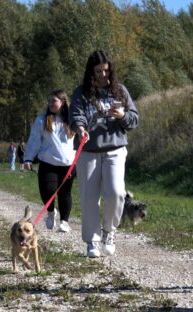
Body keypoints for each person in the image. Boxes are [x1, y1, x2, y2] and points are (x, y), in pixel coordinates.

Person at [69, 50, 139, 258]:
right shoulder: (80, 93)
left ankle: (109, 231)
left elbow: (134, 119)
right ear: (91, 72)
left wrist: (122, 115)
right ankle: (92, 241)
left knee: (116, 193)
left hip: (115, 149)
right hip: (88, 151)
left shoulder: (120, 91)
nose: (103, 75)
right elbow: (75, 115)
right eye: (98, 71)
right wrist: (80, 128)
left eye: (106, 71)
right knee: (89, 198)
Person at [23, 89, 76, 233]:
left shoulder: (72, 119)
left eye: (54, 101)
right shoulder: (42, 119)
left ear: (63, 102)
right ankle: (51, 212)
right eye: (50, 101)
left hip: (68, 164)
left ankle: (64, 222)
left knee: (65, 193)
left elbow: (82, 134)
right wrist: (28, 158)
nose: (51, 104)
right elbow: (34, 140)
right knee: (48, 190)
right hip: (48, 162)